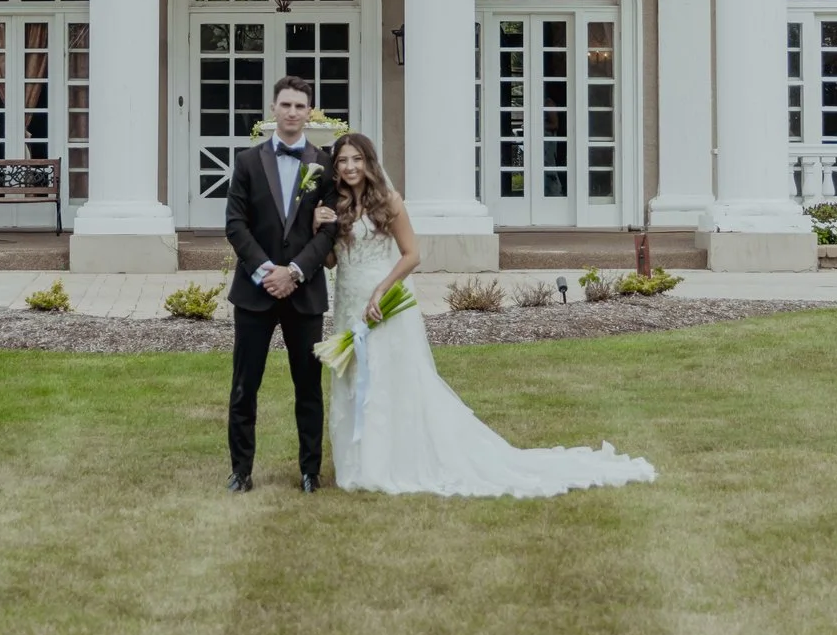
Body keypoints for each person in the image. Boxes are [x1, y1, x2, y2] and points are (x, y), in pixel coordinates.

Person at [314, 133, 656, 496]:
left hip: (384, 300)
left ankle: (395, 460)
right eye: (342, 161)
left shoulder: (389, 201)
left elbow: (412, 254)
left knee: (388, 377)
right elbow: (333, 260)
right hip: (350, 301)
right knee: (355, 378)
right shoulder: (334, 205)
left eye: (357, 159)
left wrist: (382, 289)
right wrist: (318, 227)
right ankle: (361, 461)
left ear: (369, 162)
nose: (350, 167)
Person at [221, 76, 337, 492]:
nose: (291, 113)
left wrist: (296, 272)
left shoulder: (324, 165)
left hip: (304, 292)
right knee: (244, 385)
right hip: (255, 291)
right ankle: (241, 471)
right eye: (285, 105)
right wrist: (268, 270)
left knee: (307, 386)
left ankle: (310, 471)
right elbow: (235, 224)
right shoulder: (247, 162)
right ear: (273, 109)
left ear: (310, 113)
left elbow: (328, 230)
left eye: (299, 106)